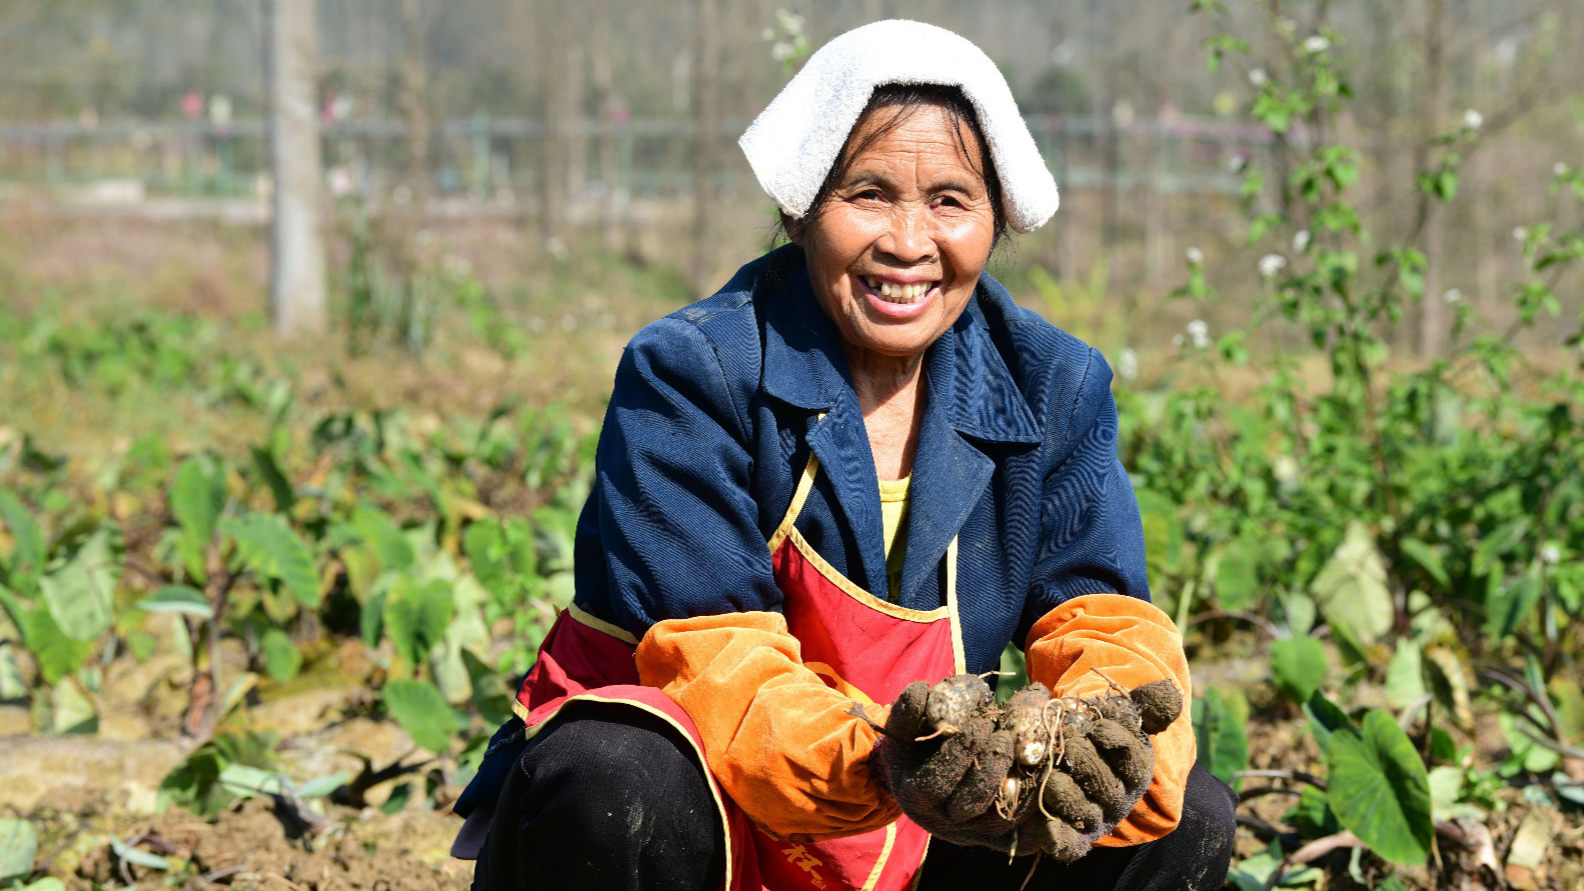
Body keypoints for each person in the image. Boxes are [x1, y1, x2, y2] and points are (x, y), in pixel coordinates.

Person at [452, 19, 1236, 891]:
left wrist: (1103, 734)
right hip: (722, 818)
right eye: (868, 193)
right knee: (609, 769)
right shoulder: (692, 374)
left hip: (914, 826)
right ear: (801, 211)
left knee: (1178, 817)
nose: (907, 242)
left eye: (949, 200)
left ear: (996, 219)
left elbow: (1101, 612)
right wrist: (893, 762)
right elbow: (717, 660)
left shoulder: (1051, 384)